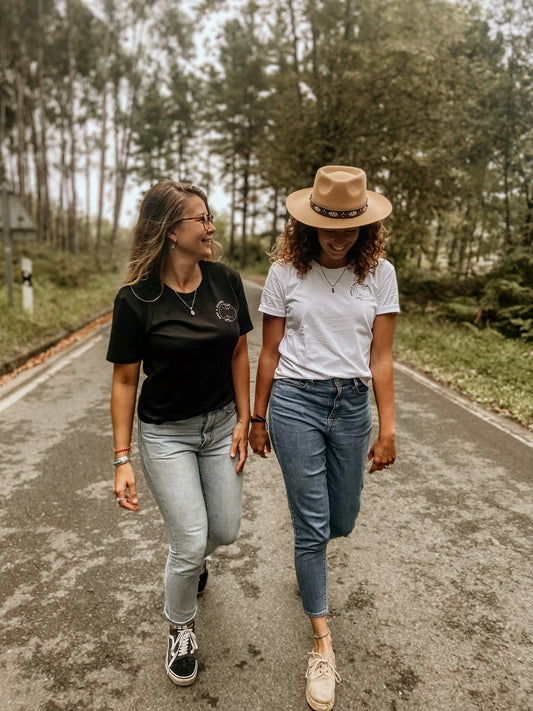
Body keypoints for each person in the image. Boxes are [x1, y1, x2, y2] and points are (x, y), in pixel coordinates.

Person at [249, 165, 399, 711]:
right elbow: (268, 350)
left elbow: (380, 357)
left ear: (364, 226)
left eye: (348, 228)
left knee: (343, 517)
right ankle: (321, 643)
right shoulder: (285, 273)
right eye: (327, 227)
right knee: (311, 525)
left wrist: (388, 426)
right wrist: (257, 417)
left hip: (352, 405)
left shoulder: (380, 273)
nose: (337, 238)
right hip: (294, 402)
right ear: (308, 225)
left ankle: (308, 560)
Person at [106, 181, 252, 687]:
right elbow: (125, 379)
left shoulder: (225, 281)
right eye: (201, 220)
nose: (211, 228)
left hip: (219, 426)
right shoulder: (136, 299)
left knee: (225, 530)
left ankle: (193, 565)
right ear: (172, 231)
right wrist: (121, 458)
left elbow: (238, 351)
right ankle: (181, 626)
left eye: (210, 218)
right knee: (189, 539)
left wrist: (243, 418)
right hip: (166, 433)